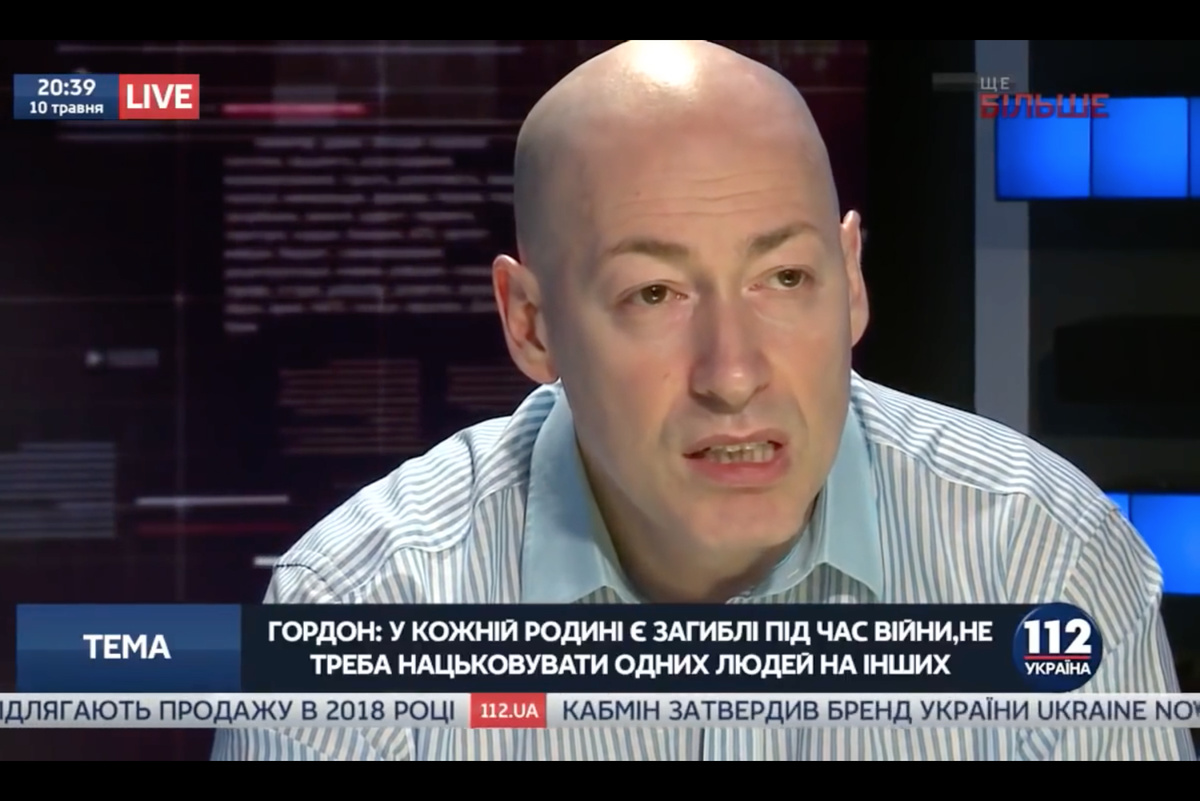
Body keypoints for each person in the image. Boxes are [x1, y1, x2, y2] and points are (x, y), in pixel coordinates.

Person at [212, 40, 1193, 761]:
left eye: (785, 279)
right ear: (531, 324)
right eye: (654, 294)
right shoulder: (355, 613)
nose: (732, 374)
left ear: (851, 281)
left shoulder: (1042, 556)